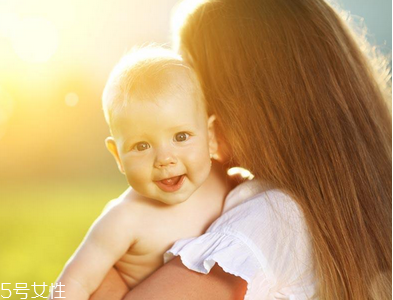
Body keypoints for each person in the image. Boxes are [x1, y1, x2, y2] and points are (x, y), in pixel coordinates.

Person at [92, 0, 392, 299]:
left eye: (192, 89)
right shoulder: (360, 205)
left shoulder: (269, 218)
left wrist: (107, 262)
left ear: (244, 99)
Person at [50, 46, 235, 299]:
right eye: (141, 146)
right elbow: (73, 285)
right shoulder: (123, 219)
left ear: (211, 137)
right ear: (118, 157)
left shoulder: (225, 181)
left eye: (181, 137)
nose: (164, 159)